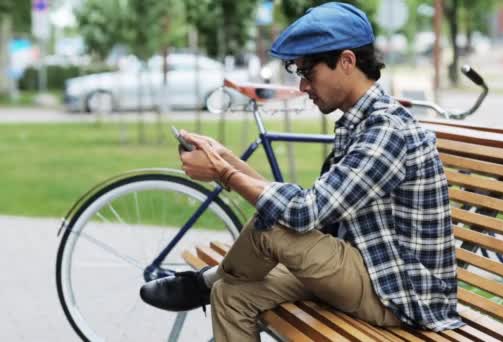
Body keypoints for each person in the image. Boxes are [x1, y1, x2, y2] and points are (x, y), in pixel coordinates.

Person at [140, 2, 463, 340]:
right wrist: (227, 159)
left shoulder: (386, 132)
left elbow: (301, 213)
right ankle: (214, 285)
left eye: (309, 73)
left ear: (347, 61)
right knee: (231, 295)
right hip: (365, 268)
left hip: (400, 293)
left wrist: (222, 172)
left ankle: (205, 282)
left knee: (269, 225)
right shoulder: (360, 124)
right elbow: (310, 213)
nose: (303, 87)